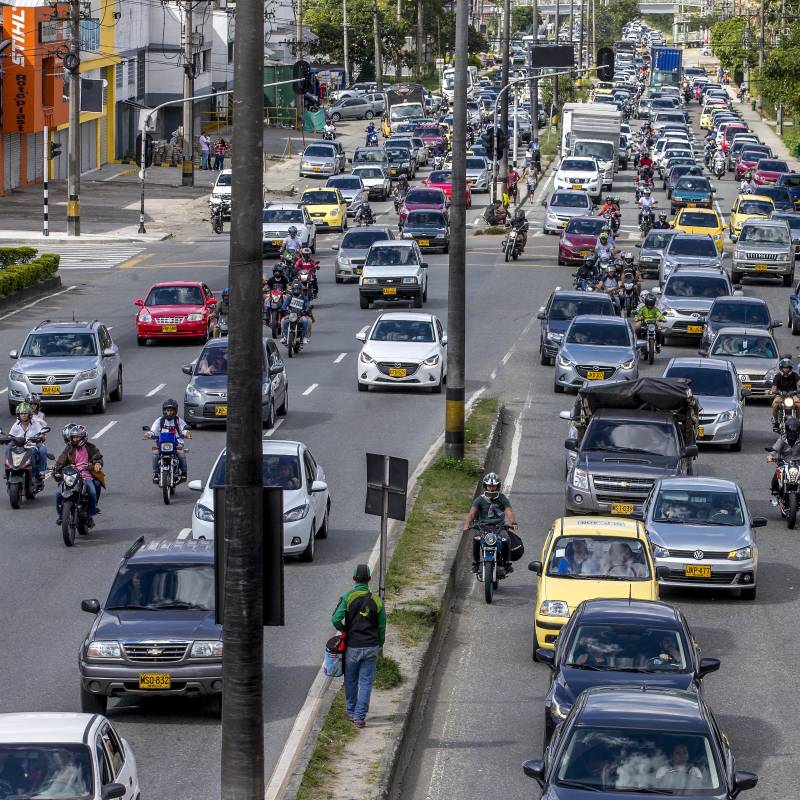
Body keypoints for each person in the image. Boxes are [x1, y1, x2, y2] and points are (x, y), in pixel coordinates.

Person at [331, 564, 386, 728]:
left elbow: (335, 619)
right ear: (369, 580)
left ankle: (351, 710)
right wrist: (380, 644)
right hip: (371, 647)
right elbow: (382, 626)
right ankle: (360, 718)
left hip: (353, 647)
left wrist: (343, 629)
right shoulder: (377, 600)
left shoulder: (348, 597)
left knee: (350, 679)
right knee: (366, 682)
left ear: (354, 579)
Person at [464, 472, 518, 574]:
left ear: (497, 486)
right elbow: (471, 513)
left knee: (506, 539)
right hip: (482, 527)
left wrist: (513, 522)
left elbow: (509, 511)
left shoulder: (502, 498)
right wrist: (467, 525)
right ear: (485, 486)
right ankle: (476, 563)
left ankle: (506, 563)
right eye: (489, 486)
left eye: (494, 486)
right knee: (476, 540)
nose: (491, 488)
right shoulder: (479, 500)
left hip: (499, 527)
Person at [53, 424, 104, 527]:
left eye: (77, 437)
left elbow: (97, 457)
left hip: (86, 475)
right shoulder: (69, 448)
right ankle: (61, 515)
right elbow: (62, 459)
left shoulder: (91, 447)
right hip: (71, 475)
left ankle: (90, 514)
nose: (75, 439)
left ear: (84, 437)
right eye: (73, 437)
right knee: (59, 493)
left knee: (93, 492)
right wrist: (56, 466)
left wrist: (97, 464)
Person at [145, 398, 191, 483]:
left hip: (176, 443)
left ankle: (184, 473)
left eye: (171, 411)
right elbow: (153, 430)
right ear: (164, 411)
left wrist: (186, 433)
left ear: (175, 411)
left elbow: (184, 429)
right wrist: (149, 434)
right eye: (167, 410)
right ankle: (156, 473)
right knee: (155, 453)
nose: (169, 412)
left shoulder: (178, 420)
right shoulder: (160, 420)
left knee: (181, 453)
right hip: (161, 443)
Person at [7, 402, 46, 478]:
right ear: (19, 415)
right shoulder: (16, 425)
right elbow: (10, 436)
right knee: (8, 448)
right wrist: (5, 439)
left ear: (30, 415)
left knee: (42, 449)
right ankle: (9, 468)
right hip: (18, 446)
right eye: (21, 413)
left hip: (31, 446)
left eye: (25, 413)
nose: (23, 415)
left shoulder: (35, 424)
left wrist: (40, 437)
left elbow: (42, 434)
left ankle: (37, 472)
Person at [768, 418, 800, 502]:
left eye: (795, 431)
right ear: (787, 430)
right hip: (784, 463)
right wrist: (770, 456)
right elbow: (774, 449)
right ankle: (775, 493)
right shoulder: (782, 439)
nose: (792, 434)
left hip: (798, 464)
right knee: (777, 473)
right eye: (791, 431)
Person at [770, 356, 799, 431]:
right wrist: (779, 392)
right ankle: (776, 422)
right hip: (780, 395)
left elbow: (799, 384)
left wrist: (796, 391)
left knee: (799, 405)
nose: (786, 369)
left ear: (790, 368)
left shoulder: (795, 375)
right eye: (784, 368)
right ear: (781, 368)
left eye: (787, 368)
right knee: (775, 405)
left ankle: (798, 421)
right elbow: (773, 389)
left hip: (793, 395)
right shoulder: (777, 376)